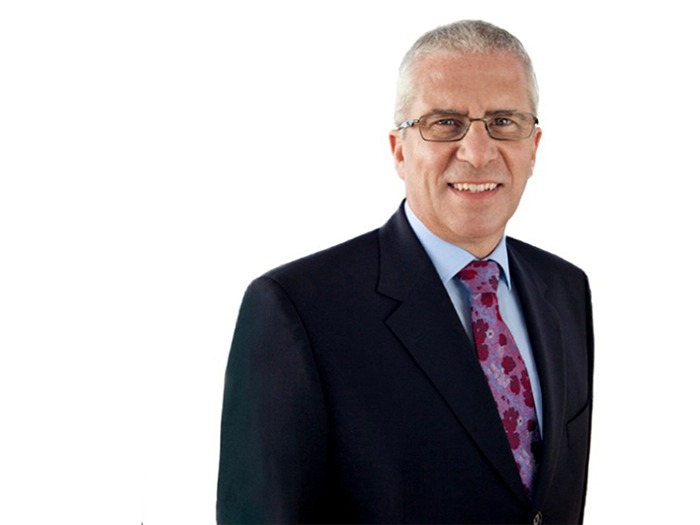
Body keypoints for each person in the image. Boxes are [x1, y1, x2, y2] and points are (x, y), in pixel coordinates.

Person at [217, 19, 593, 525]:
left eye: (503, 121)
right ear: (399, 150)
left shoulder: (565, 289)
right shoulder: (296, 309)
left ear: (534, 147)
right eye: (446, 123)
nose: (478, 153)